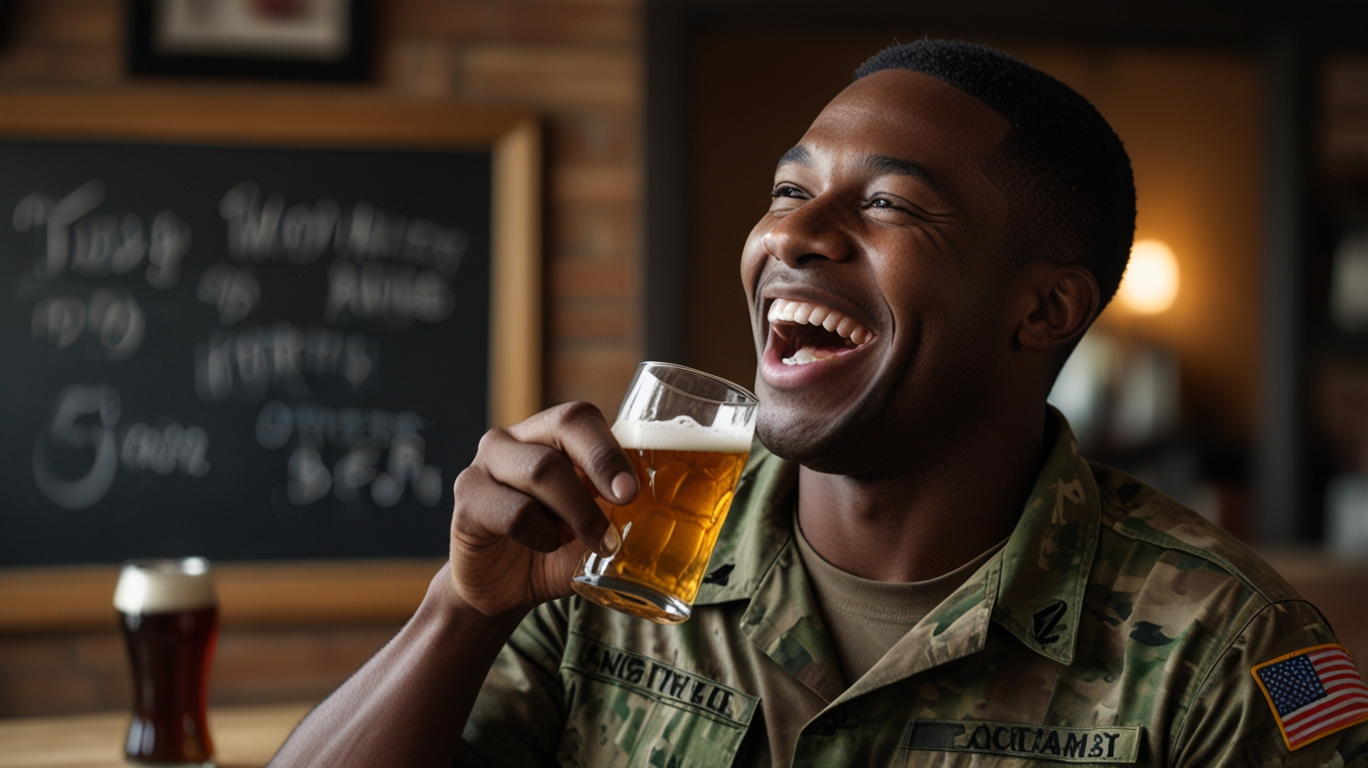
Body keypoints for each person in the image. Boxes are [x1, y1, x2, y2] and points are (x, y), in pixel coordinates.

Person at [271, 40, 1368, 767]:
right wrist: (460, 611)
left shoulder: (1228, 652)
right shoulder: (614, 547)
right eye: (790, 190)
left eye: (889, 203)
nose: (791, 235)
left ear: (1043, 311)